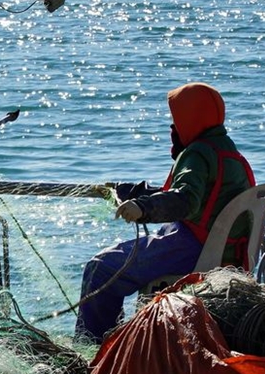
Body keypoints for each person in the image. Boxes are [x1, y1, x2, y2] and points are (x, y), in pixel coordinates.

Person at [75, 82, 254, 343]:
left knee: (101, 268)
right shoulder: (229, 151)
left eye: (177, 118)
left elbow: (185, 199)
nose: (174, 126)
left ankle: (94, 348)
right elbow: (202, 192)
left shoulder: (198, 153)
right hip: (225, 250)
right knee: (109, 265)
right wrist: (144, 192)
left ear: (191, 118)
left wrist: (143, 207)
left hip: (193, 247)